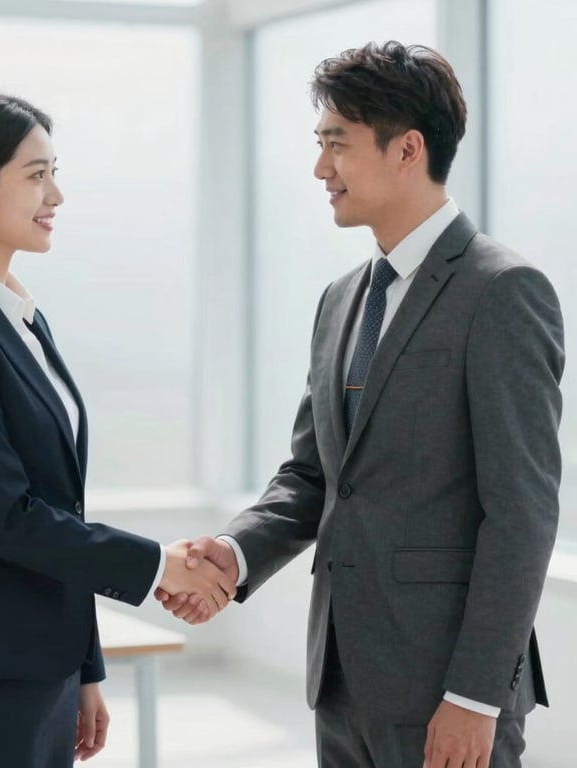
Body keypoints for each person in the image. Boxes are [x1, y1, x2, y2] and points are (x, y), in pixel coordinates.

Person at [157, 41, 565, 768]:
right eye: (321, 145)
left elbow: (523, 512)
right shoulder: (341, 299)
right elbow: (315, 476)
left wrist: (473, 698)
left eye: (336, 145)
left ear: (408, 149)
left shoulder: (503, 292)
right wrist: (236, 551)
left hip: (446, 693)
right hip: (342, 683)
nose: (321, 169)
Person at [0, 88, 235, 768]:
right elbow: (6, 518)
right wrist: (158, 566)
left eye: (54, 172)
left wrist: (82, 667)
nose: (55, 195)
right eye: (36, 176)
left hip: (38, 672)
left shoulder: (16, 316)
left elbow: (59, 507)